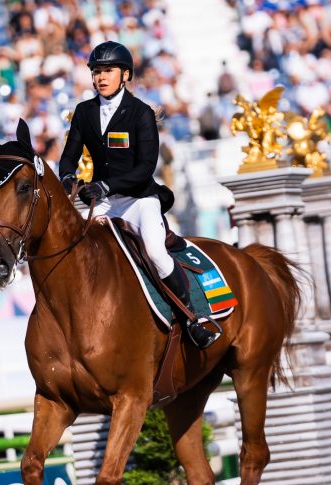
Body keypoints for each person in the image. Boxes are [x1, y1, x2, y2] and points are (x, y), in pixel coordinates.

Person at [57, 41, 218, 349]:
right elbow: (69, 154)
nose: (101, 77)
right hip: (102, 201)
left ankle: (193, 318)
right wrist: (67, 177)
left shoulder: (141, 113)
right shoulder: (84, 112)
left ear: (125, 74)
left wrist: (106, 185)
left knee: (156, 252)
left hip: (139, 199)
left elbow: (145, 168)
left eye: (108, 71)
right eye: (96, 72)